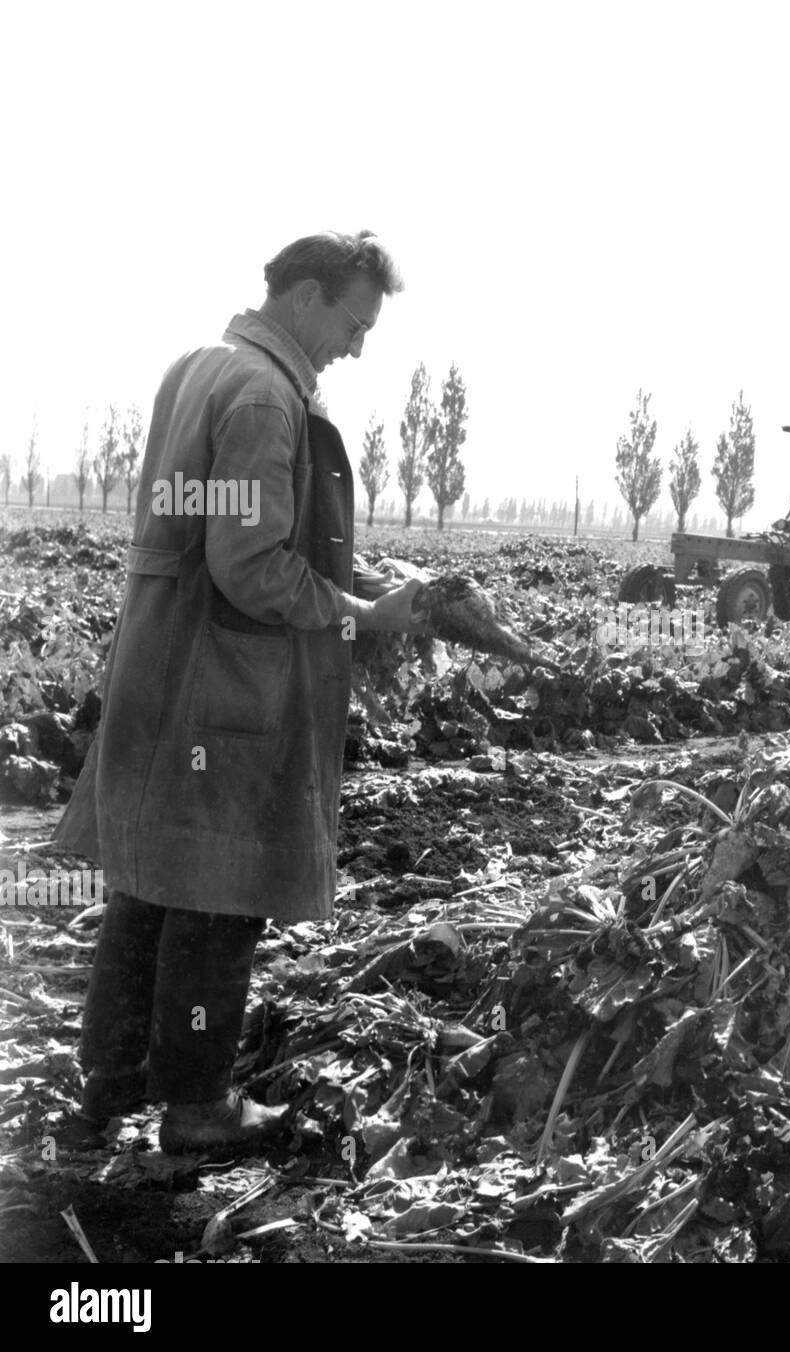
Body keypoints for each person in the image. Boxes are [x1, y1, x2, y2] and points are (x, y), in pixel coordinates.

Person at [55, 230, 426, 1153]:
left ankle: (107, 1090)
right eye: (354, 322)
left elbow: (227, 534)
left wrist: (360, 581)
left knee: (149, 881)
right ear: (305, 295)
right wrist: (365, 619)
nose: (357, 346)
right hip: (224, 691)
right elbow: (254, 568)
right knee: (219, 897)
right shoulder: (267, 396)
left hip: (163, 669)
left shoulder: (201, 366)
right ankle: (195, 1108)